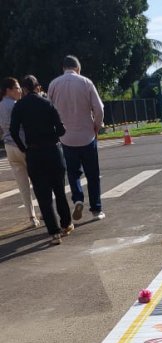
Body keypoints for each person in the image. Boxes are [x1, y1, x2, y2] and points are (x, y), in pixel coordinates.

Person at [10, 75, 73, 246]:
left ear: (24, 89)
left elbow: (13, 131)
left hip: (34, 152)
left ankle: (54, 232)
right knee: (59, 190)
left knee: (43, 195)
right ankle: (66, 224)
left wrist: (24, 148)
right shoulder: (47, 103)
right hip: (53, 151)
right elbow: (61, 129)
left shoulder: (19, 106)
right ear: (37, 87)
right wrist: (53, 136)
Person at [48, 55, 105, 222]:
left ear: (63, 68)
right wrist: (97, 125)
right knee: (92, 174)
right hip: (87, 136)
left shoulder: (54, 84)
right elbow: (99, 109)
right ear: (78, 68)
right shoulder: (86, 82)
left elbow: (49, 110)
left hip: (66, 138)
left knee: (73, 173)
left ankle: (78, 199)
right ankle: (96, 209)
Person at [0, 77, 39, 227]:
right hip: (22, 144)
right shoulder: (17, 105)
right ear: (8, 90)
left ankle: (31, 216)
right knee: (36, 179)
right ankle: (44, 209)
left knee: (22, 184)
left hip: (9, 147)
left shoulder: (1, 105)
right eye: (16, 88)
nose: (20, 91)